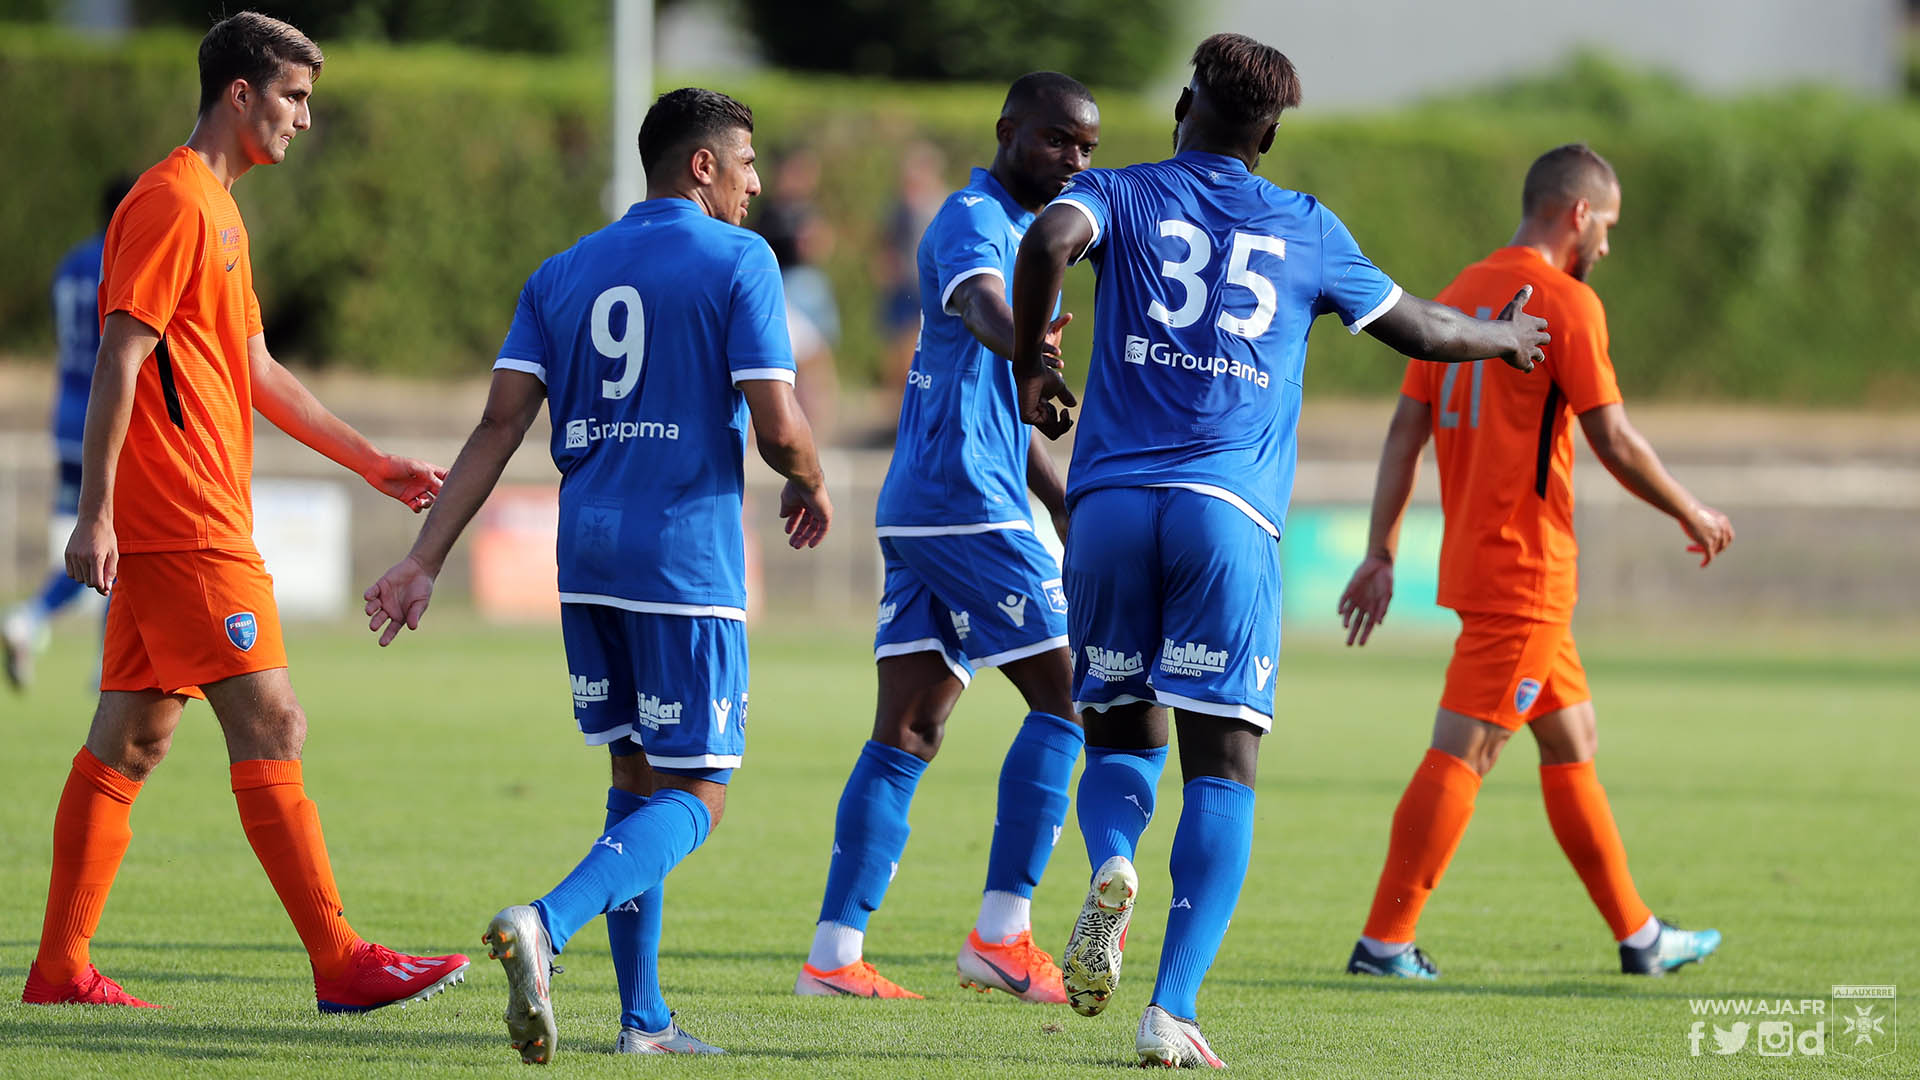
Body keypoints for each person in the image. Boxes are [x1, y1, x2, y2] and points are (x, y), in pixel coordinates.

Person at [1009, 33, 1550, 1068]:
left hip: (1110, 505)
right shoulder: (1304, 226)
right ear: (1266, 134)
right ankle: (1169, 1010)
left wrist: (1038, 367)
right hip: (1227, 514)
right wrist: (1504, 340)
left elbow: (1042, 246)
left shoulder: (1117, 193)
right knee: (1224, 763)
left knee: (1120, 734)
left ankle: (1114, 860)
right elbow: (1426, 330)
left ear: (1183, 107)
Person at [363, 87, 832, 1063]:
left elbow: (500, 425)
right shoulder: (739, 258)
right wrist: (811, 479)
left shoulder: (563, 271)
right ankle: (547, 921)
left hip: (588, 557)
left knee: (634, 776)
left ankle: (645, 1019)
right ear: (700, 165)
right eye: (745, 161)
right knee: (699, 794)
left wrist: (423, 559)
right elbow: (780, 423)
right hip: (683, 556)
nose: (754, 181)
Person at [26, 12, 467, 1013]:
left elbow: (254, 369)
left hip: (186, 519)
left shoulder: (221, 209)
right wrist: (94, 514)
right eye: (295, 97)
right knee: (273, 718)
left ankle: (59, 969)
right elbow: (121, 360)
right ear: (240, 94)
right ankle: (340, 959)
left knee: (133, 738)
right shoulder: (175, 201)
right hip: (183, 520)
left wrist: (371, 463)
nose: (305, 120)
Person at [1337, 144, 1732, 981]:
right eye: (1610, 227)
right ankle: (1384, 942)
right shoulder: (1566, 302)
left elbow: (1406, 430)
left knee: (1572, 739)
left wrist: (1382, 549)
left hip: (1486, 563)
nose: (1610, 247)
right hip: (1527, 572)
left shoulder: (1455, 294)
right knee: (1465, 751)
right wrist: (1690, 510)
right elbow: (1613, 438)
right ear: (1578, 214)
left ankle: (1640, 937)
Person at [796, 71, 1098, 1003]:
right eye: (1056, 141)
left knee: (910, 728)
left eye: (1087, 148)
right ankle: (1003, 935)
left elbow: (1004, 404)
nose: (1075, 161)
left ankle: (833, 957)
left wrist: (1061, 496)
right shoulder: (976, 219)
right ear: (1009, 132)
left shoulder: (1029, 241)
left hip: (933, 501)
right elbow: (977, 307)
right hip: (966, 503)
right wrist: (1035, 348)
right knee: (1073, 698)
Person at [4, 174, 134, 692]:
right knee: (116, 543)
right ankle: (56, 633)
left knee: (93, 540)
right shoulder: (122, 259)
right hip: (104, 420)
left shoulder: (70, 263)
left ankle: (36, 622)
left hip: (65, 420)